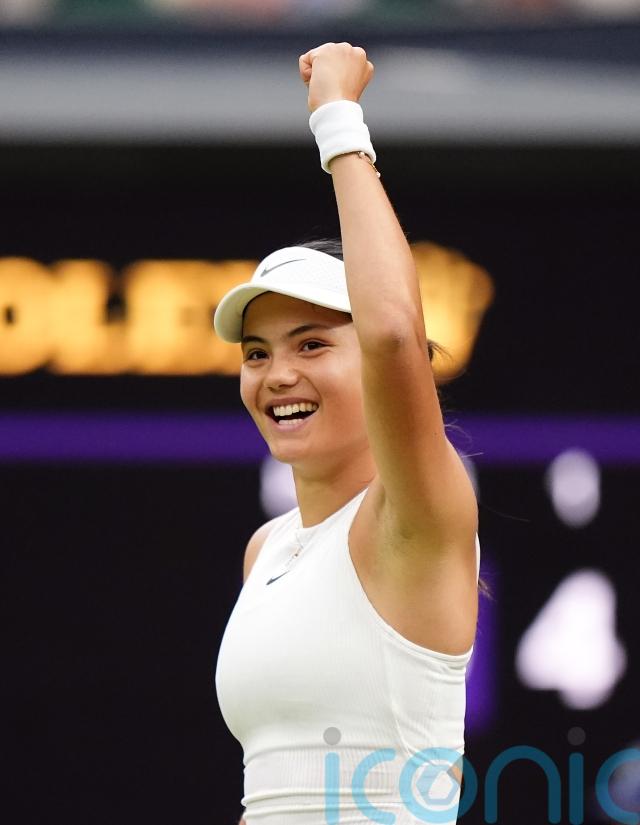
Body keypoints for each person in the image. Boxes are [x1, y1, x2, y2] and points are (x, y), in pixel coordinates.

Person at [214, 42, 484, 825]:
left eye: (311, 345)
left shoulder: (414, 515)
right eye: (256, 353)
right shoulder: (268, 549)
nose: (276, 375)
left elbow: (395, 333)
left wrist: (338, 120)